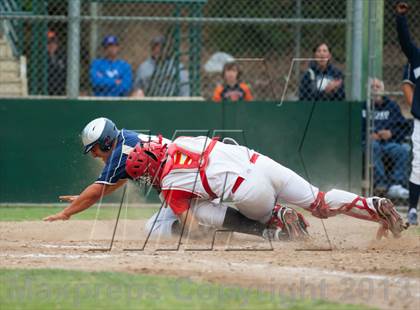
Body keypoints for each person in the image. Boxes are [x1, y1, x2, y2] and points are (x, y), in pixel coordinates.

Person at [43, 118, 309, 241]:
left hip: (182, 182)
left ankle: (229, 232)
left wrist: (67, 213)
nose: (94, 156)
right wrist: (85, 197)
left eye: (95, 150)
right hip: (188, 175)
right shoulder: (126, 141)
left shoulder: (120, 153)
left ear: (105, 143)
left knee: (166, 224)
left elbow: (98, 190)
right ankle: (275, 218)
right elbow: (117, 179)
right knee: (211, 203)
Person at [125, 134, 408, 241]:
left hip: (248, 189)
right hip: (260, 162)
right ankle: (374, 205)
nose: (147, 180)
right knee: (320, 202)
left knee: (254, 213)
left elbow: (193, 226)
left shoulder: (169, 188)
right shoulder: (181, 141)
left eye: (144, 174)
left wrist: (205, 234)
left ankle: (278, 215)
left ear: (150, 169)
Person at [363, 78, 410, 199]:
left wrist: (391, 133)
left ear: (383, 90)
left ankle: (397, 185)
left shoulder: (392, 106)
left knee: (403, 150)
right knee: (373, 146)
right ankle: (381, 185)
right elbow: (355, 129)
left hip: (389, 143)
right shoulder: (363, 107)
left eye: (378, 87)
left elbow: (405, 127)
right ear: (367, 91)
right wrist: (367, 135)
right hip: (371, 144)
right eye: (372, 87)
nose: (375, 90)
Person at [395, 2, 420, 225]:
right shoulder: (416, 56)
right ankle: (412, 209)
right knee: (418, 165)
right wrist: (401, 18)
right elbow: (405, 42)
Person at [47, 31, 66, 96]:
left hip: (60, 89)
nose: (51, 45)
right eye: (49, 43)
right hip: (47, 89)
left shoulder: (61, 55)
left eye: (54, 43)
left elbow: (64, 72)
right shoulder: (42, 57)